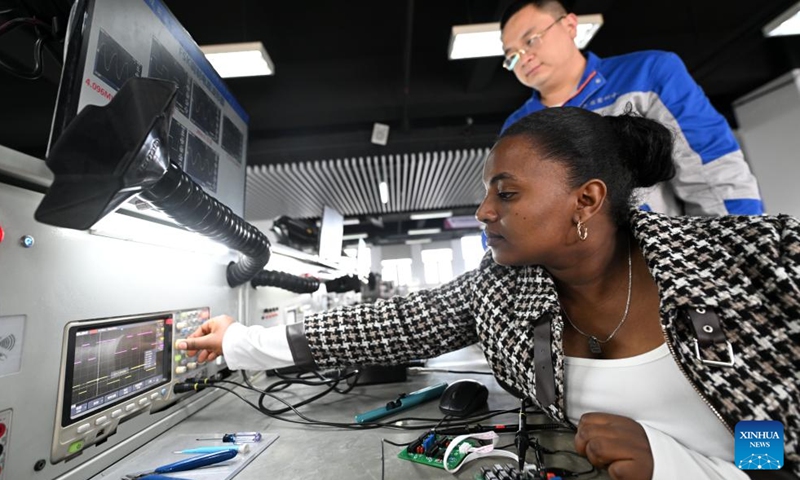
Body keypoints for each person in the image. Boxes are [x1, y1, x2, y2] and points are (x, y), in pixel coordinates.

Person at [178, 108, 799, 479]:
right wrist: (240, 341)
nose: (482, 210)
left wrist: (686, 468)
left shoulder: (754, 258)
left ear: (586, 200)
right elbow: (389, 325)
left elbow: (773, 437)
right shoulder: (504, 288)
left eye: (507, 192)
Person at [499, 0, 763, 217]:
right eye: (512, 55)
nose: (524, 57)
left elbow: (710, 166)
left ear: (569, 25)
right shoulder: (517, 127)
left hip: (664, 258)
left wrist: (735, 246)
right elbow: (505, 207)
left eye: (531, 40)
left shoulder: (649, 74)